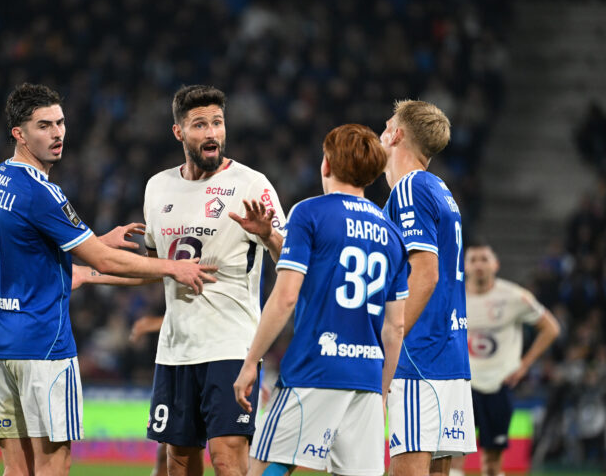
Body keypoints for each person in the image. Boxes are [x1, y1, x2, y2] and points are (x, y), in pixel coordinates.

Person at [0, 83, 217, 476]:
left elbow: (32, 254)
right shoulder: (41, 192)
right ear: (19, 133)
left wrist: (96, 240)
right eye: (43, 126)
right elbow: (103, 261)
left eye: (60, 122)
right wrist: (174, 267)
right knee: (53, 464)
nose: (57, 133)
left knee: (16, 469)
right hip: (41, 344)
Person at [233, 123, 408, 476]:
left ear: (326, 164)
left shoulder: (309, 213)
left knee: (268, 466)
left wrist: (251, 361)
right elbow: (396, 326)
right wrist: (381, 390)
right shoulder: (392, 234)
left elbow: (285, 297)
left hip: (314, 367)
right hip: (368, 377)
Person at [142, 84, 285, 476]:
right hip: (175, 349)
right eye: (200, 124)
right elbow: (154, 266)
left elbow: (288, 259)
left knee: (227, 459)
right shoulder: (157, 187)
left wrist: (268, 232)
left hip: (231, 346)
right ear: (179, 132)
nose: (211, 133)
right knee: (179, 464)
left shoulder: (252, 185)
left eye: (217, 123)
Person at [380, 100, 477, 476]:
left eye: (386, 124)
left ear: (397, 134)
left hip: (417, 354)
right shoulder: (439, 188)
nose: (381, 130)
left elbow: (426, 272)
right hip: (448, 355)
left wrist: (394, 335)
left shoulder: (408, 189)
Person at [450, 241, 560, 476]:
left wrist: (524, 365)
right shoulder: (453, 296)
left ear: (495, 264)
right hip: (462, 387)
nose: (479, 265)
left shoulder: (514, 297)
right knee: (453, 458)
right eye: (473, 260)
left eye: (484, 259)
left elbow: (551, 328)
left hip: (498, 386)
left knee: (492, 462)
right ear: (465, 266)